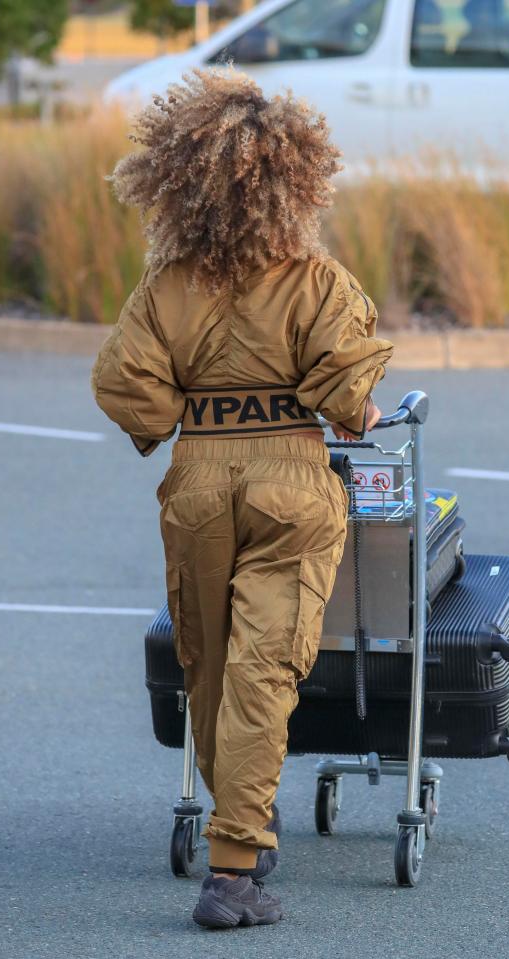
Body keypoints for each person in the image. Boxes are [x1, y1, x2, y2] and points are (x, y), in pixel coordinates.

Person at [91, 68, 394, 929]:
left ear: (177, 183)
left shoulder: (165, 287)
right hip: (291, 481)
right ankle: (233, 868)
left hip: (198, 476)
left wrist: (185, 412)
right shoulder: (315, 280)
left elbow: (126, 386)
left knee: (209, 664)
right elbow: (349, 396)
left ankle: (242, 832)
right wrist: (352, 405)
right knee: (266, 666)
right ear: (293, 180)